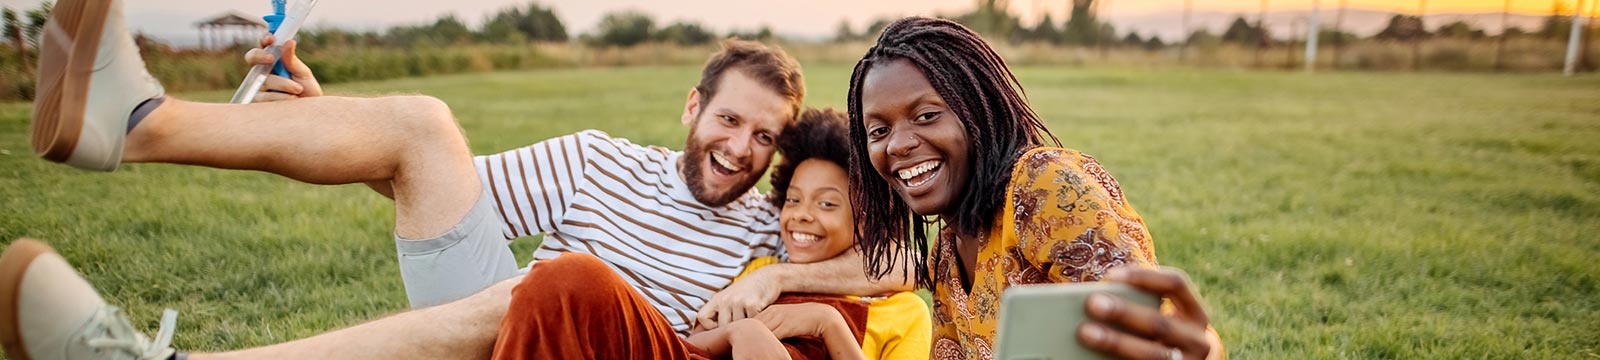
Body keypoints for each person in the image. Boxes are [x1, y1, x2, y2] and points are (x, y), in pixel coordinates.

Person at [3, 0, 908, 358]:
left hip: (588, 335)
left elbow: (898, 261)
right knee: (424, 126)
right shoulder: (600, 157)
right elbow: (427, 187)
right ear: (690, 108)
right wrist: (329, 118)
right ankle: (138, 124)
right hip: (515, 309)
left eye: (763, 137)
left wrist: (784, 273)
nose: (740, 149)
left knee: (549, 282)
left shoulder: (770, 229)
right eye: (728, 120)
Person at [844, 17, 1225, 360]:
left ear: (977, 109)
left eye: (926, 116)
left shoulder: (1040, 185)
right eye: (879, 131)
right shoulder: (946, 259)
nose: (897, 145)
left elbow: (1153, 327)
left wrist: (1189, 353)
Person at [488, 108, 931, 359]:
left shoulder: (903, 314)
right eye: (793, 200)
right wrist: (739, 334)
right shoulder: (759, 269)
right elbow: (692, 343)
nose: (801, 216)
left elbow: (913, 263)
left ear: (869, 217)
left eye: (828, 204)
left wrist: (827, 323)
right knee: (567, 278)